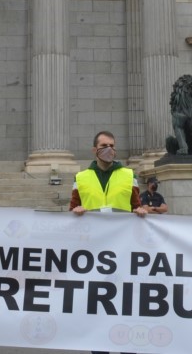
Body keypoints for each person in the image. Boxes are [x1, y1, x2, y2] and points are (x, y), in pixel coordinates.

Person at [70, 130, 144, 354]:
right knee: (97, 302)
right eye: (103, 145)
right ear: (94, 150)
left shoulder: (128, 174)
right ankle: (99, 347)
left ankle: (126, 346)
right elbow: (72, 208)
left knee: (125, 301)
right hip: (94, 252)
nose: (109, 149)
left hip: (123, 251)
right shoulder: (81, 178)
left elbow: (135, 204)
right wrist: (76, 210)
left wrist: (140, 210)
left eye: (112, 145)